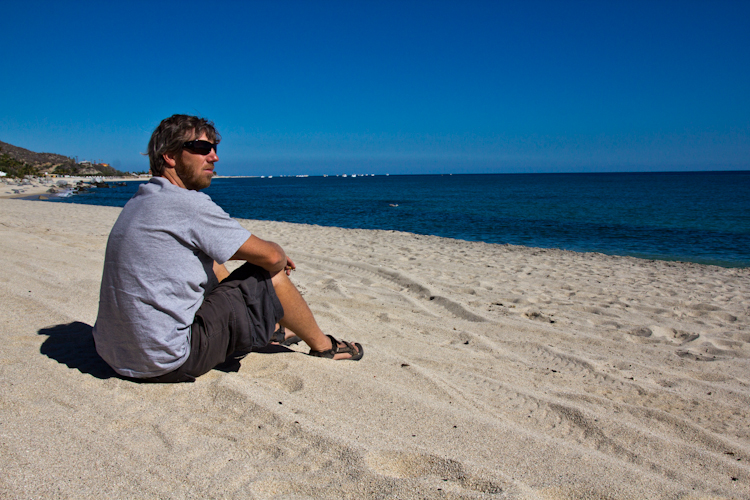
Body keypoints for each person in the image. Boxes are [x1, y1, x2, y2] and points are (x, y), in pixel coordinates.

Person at [92, 114, 362, 382]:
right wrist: (275, 256)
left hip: (116, 356)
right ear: (170, 157)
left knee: (208, 257)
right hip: (167, 360)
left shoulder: (140, 201)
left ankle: (275, 328)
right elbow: (272, 257)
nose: (214, 157)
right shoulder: (187, 205)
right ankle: (324, 346)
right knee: (268, 273)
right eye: (201, 148)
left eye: (214, 148)